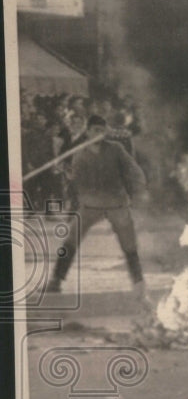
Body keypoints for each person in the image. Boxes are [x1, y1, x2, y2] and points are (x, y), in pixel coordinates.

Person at [47, 115, 150, 308]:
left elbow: (133, 169)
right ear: (88, 132)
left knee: (129, 246)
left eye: (102, 131)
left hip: (117, 204)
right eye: (95, 130)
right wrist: (65, 172)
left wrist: (138, 192)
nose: (99, 134)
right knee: (70, 241)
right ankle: (56, 281)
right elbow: (77, 181)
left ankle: (139, 284)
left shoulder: (115, 149)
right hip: (91, 206)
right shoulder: (80, 154)